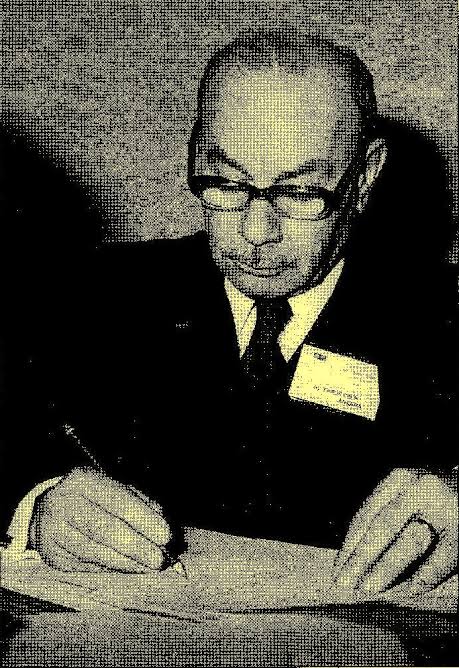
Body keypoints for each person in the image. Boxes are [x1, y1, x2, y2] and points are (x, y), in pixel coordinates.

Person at [4, 33, 457, 598]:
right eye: (225, 184)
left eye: (300, 193)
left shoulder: (444, 315)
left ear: (365, 177)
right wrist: (39, 504)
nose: (257, 231)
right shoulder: (96, 294)